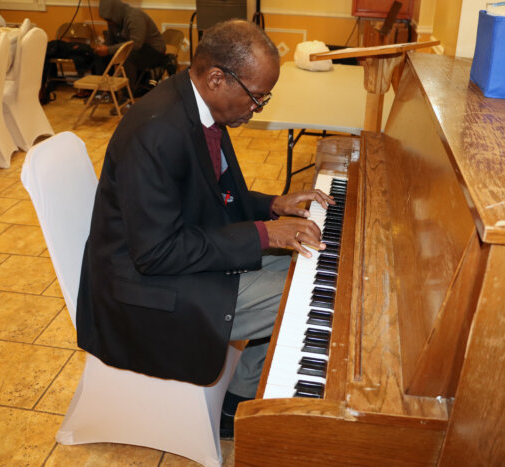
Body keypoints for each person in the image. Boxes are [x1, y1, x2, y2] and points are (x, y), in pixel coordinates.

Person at [76, 19, 334, 438]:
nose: (257, 108)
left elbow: (219, 196)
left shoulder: (200, 110)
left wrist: (271, 205)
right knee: (304, 293)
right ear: (217, 78)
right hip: (142, 290)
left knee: (308, 269)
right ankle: (237, 406)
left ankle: (246, 388)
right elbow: (156, 253)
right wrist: (267, 234)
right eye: (257, 97)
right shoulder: (157, 131)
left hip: (175, 260)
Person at [94, 0, 166, 95]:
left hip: (154, 51)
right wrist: (103, 48)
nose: (109, 22)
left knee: (128, 56)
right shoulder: (113, 19)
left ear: (115, 13)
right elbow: (111, 41)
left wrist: (109, 50)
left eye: (109, 19)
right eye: (106, 20)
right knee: (100, 55)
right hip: (132, 48)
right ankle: (104, 91)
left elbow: (136, 44)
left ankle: (127, 94)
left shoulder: (135, 16)